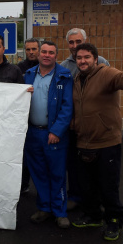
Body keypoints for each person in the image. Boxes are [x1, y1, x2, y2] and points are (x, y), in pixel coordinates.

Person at [71, 43, 123, 241]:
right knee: (88, 185)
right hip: (83, 142)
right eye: (79, 58)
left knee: (108, 186)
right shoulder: (76, 79)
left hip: (106, 142)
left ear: (95, 59)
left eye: (87, 57)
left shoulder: (105, 74)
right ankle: (94, 216)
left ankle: (114, 220)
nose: (83, 61)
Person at [23, 41, 73, 229]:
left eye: (51, 52)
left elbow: (67, 107)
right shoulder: (28, 75)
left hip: (53, 135)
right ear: (38, 54)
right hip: (33, 133)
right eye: (43, 51)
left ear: (56, 55)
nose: (46, 55)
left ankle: (60, 212)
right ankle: (44, 208)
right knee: (38, 173)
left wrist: (56, 131)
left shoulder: (64, 76)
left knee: (57, 173)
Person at [60, 28, 110, 211]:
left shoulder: (101, 62)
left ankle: (99, 201)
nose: (75, 46)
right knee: (74, 165)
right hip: (74, 125)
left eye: (78, 42)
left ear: (86, 41)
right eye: (71, 42)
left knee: (98, 166)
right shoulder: (64, 66)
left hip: (96, 125)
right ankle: (75, 196)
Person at [17, 38, 41, 194]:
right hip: (23, 119)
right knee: (23, 157)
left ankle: (41, 189)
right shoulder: (19, 68)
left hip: (40, 118)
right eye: (28, 49)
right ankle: (23, 185)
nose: (31, 52)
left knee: (40, 159)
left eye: (34, 49)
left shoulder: (46, 66)